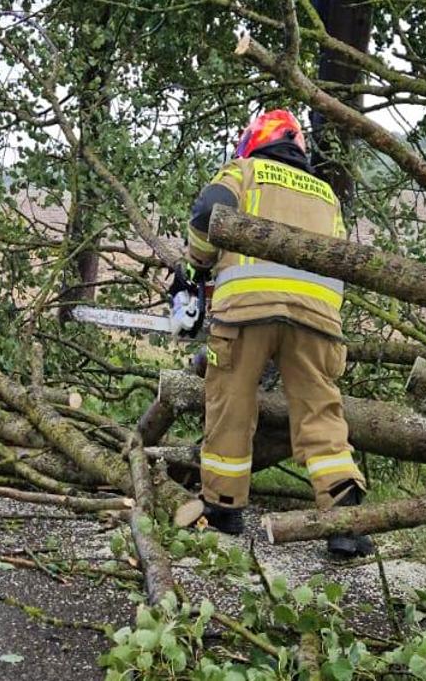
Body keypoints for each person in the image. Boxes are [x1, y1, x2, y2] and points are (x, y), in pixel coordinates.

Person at [179, 108, 375, 560]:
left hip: (247, 311)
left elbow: (208, 212)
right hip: (317, 319)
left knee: (231, 402)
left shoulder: (243, 171)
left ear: (254, 141)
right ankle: (345, 520)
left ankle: (224, 507)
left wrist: (198, 262)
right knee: (320, 413)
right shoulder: (327, 194)